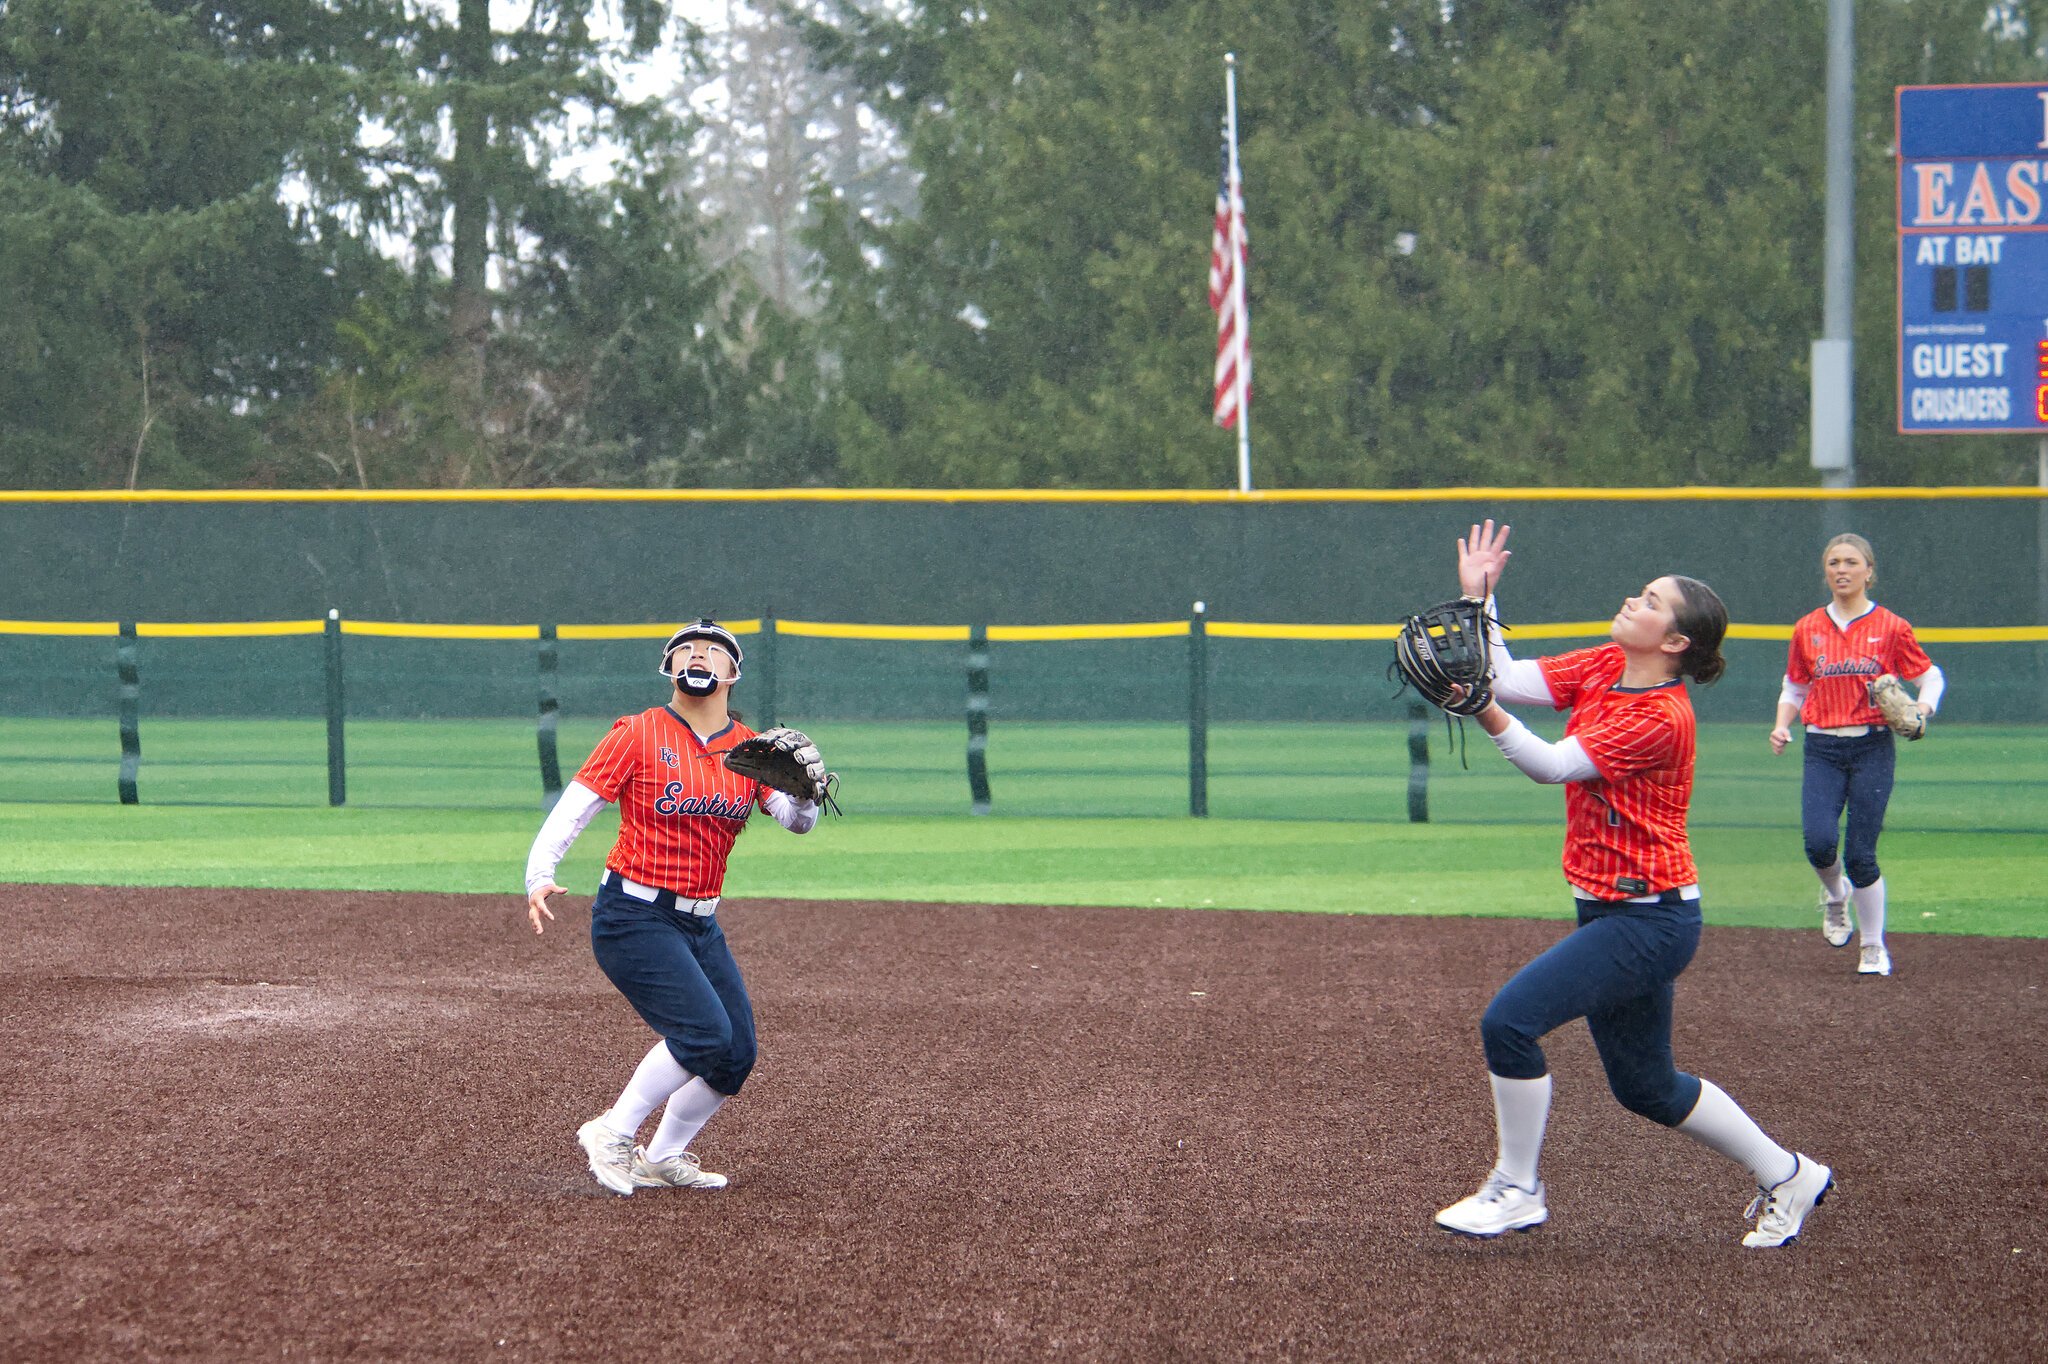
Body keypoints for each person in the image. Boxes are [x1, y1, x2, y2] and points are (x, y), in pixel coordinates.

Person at [1429, 521, 1832, 1249]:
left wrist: (1476, 709)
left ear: (1675, 641)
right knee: (1648, 1088)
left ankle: (1517, 1189)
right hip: (1618, 911)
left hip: (1648, 923)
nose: (1632, 601)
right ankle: (1791, 1173)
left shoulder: (1661, 716)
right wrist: (1477, 599)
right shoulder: (1606, 663)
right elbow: (1511, 679)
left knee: (1508, 1024)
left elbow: (1551, 764)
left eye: (1650, 601)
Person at [523, 618, 823, 1195]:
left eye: (714, 651)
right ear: (669, 667)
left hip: (699, 922)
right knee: (704, 1034)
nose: (699, 657)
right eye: (686, 649)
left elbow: (794, 822)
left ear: (733, 673)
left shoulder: (750, 749)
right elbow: (576, 808)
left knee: (734, 1055)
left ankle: (662, 1156)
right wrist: (540, 873)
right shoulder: (638, 733)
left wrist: (806, 794)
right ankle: (611, 1131)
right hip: (633, 915)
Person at [1769, 533, 1942, 977]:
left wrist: (1922, 710)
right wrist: (1782, 723)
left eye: (1850, 562)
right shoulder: (1808, 627)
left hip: (1871, 746)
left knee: (1861, 854)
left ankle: (1872, 946)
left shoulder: (1890, 627)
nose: (1841, 570)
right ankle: (1834, 896)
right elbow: (1796, 685)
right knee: (1819, 842)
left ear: (1869, 571)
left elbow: (1930, 677)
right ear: (1825, 571)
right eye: (1833, 562)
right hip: (1822, 746)